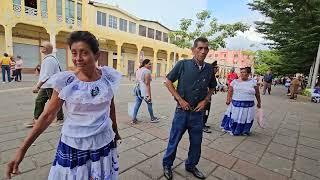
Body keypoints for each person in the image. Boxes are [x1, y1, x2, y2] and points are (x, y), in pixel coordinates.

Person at [6, 31, 121, 180]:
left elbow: (110, 106)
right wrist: (22, 150)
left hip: (103, 141)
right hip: (73, 145)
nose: (78, 58)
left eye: (84, 53)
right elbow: (48, 116)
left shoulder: (107, 77)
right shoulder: (66, 81)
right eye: (74, 53)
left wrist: (115, 131)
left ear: (96, 55)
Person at [162, 37, 216, 180]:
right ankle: (167, 164)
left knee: (196, 142)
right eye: (200, 48)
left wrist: (205, 100)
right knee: (174, 140)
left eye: (206, 48)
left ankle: (191, 165)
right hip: (182, 112)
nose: (203, 51)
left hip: (198, 114)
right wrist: (180, 99)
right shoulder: (183, 64)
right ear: (193, 50)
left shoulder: (209, 69)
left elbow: (212, 87)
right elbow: (168, 82)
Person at [24, 41, 64, 127]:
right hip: (46, 85)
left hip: (51, 86)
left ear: (45, 49)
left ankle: (60, 119)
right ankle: (37, 119)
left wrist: (37, 86)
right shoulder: (49, 58)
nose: (40, 48)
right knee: (39, 101)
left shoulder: (49, 59)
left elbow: (47, 75)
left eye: (41, 46)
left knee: (54, 103)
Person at [220, 67, 261, 136]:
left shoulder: (253, 82)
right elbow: (230, 91)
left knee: (246, 118)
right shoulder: (235, 82)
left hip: (249, 105)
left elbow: (257, 93)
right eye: (241, 72)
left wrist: (259, 102)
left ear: (248, 74)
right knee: (235, 118)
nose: (242, 74)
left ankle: (244, 130)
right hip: (236, 104)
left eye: (244, 72)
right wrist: (228, 99)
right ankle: (233, 129)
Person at [131, 59, 160, 124]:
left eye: (151, 64)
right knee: (149, 103)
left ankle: (133, 119)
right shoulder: (147, 71)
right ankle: (152, 118)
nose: (150, 65)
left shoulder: (139, 70)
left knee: (137, 104)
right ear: (145, 64)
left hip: (137, 88)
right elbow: (147, 84)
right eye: (149, 64)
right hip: (143, 90)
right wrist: (149, 95)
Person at [203, 61, 219, 134]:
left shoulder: (212, 76)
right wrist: (207, 99)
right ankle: (202, 125)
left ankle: (204, 123)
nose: (217, 70)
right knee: (204, 111)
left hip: (208, 97)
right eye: (216, 69)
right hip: (205, 97)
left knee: (207, 111)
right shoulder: (207, 76)